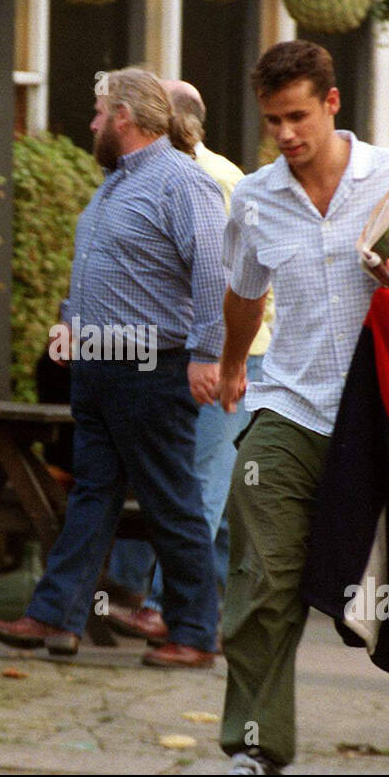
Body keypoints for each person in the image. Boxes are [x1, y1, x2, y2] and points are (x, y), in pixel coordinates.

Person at [215, 41, 389, 774]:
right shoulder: (256, 197)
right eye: (273, 120)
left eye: (298, 116)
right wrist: (235, 363)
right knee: (261, 573)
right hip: (292, 405)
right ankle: (254, 747)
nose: (287, 134)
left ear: (333, 104)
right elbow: (244, 291)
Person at [0, 67, 226, 668]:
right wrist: (69, 320)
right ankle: (54, 617)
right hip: (97, 367)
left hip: (151, 368)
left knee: (171, 500)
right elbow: (93, 265)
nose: (91, 124)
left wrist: (207, 355)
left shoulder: (181, 182)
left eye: (97, 114)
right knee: (92, 497)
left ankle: (195, 632)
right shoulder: (114, 183)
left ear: (123, 117)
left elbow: (215, 272)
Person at [105, 79, 275, 644]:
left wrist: (220, 361)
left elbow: (235, 282)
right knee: (187, 485)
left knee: (200, 484)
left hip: (226, 357)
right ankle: (156, 595)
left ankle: (167, 609)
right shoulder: (145, 180)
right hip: (176, 358)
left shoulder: (216, 180)